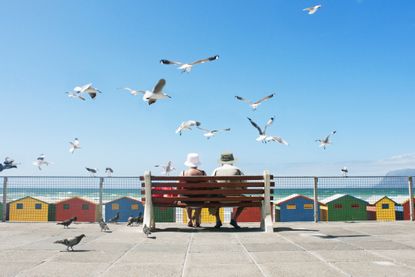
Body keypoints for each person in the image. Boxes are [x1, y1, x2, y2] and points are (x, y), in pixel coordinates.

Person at [211, 152, 245, 229]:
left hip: (220, 199)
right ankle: (234, 219)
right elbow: (245, 186)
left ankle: (218, 220)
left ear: (221, 162)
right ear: (232, 161)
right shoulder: (238, 170)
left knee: (213, 199)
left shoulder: (216, 170)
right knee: (246, 200)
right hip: (237, 199)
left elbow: (211, 186)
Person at [180, 153, 206, 228]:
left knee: (186, 195)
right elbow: (206, 187)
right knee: (200, 196)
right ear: (197, 163)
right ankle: (197, 219)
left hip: (186, 200)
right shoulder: (203, 173)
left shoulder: (183, 173)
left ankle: (189, 219)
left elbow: (179, 188)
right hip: (200, 200)